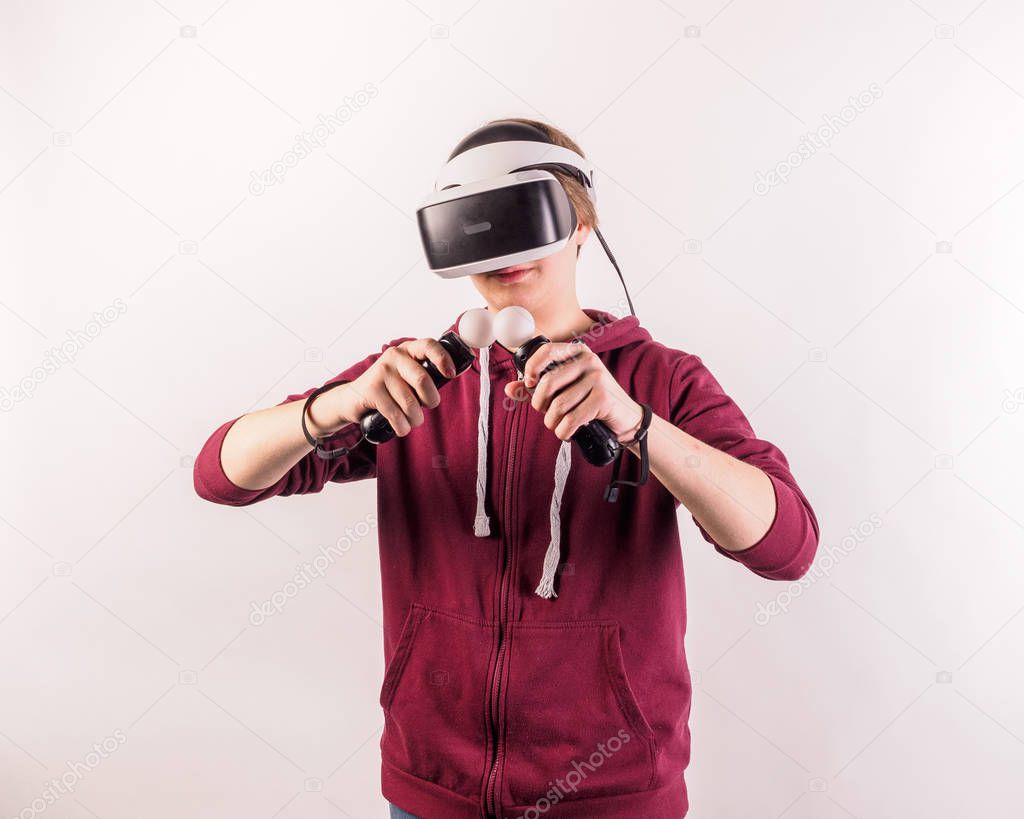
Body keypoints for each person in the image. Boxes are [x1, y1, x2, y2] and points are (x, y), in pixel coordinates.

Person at [194, 118, 819, 819]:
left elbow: (786, 545)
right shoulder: (415, 379)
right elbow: (220, 474)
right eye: (480, 225)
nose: (508, 250)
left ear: (582, 226)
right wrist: (341, 401)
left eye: (529, 215)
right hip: (431, 792)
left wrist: (635, 424)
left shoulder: (663, 378)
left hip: (612, 799)